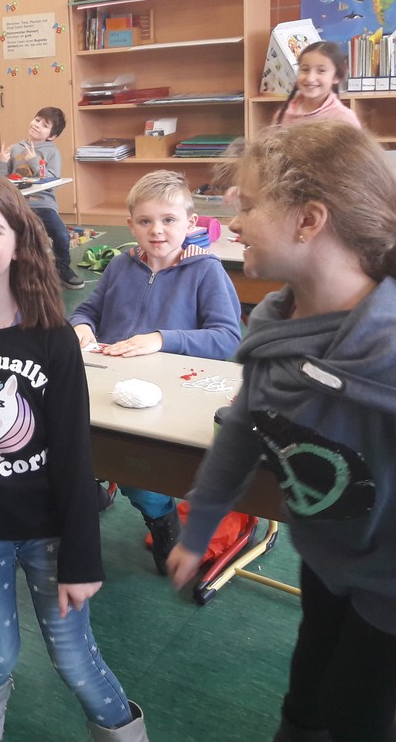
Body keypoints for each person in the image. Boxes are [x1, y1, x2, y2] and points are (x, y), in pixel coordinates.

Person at [168, 122, 396, 742]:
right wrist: (201, 524)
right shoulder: (276, 318)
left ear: (309, 220)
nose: (234, 223)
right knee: (304, 701)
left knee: (355, 721)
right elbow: (245, 427)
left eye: (247, 206)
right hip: (328, 557)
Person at [0, 171, 148, 741]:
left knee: (74, 658)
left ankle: (121, 731)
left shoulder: (53, 338)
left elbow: (74, 457)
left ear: (18, 244)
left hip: (50, 531)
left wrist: (83, 557)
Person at [69, 170, 241, 573]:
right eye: (145, 221)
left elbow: (227, 338)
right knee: (73, 441)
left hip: (168, 395)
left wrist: (161, 339)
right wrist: (81, 326)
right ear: (131, 226)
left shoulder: (206, 271)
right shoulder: (120, 265)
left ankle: (160, 517)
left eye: (168, 220)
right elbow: (87, 310)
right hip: (108, 382)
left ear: (190, 223)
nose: (156, 230)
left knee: (136, 466)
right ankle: (91, 487)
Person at [0, 106, 85, 289]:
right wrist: (2, 163)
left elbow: (53, 179)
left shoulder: (51, 152)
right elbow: (5, 178)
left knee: (61, 235)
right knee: (10, 235)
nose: (37, 125)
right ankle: (12, 273)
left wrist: (33, 161)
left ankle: (62, 269)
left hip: (42, 203)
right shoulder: (16, 148)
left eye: (45, 125)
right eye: (37, 120)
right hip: (17, 204)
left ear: (51, 136)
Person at [273, 41, 361, 128]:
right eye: (305, 69)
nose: (310, 78)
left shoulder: (344, 119)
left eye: (321, 71)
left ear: (336, 76)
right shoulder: (282, 115)